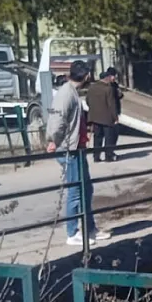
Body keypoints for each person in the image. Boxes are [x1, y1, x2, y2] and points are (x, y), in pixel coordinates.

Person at [46, 61, 111, 246]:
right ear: (86, 76)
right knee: (75, 190)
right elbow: (57, 118)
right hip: (69, 148)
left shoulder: (69, 92)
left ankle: (89, 228)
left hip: (76, 147)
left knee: (86, 188)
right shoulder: (66, 94)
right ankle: (72, 232)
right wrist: (54, 140)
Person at [87, 71, 119, 162]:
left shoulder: (92, 87)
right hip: (107, 118)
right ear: (107, 78)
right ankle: (108, 156)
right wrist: (115, 117)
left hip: (95, 117)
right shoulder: (108, 89)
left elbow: (87, 100)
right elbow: (111, 104)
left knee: (97, 137)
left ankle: (96, 156)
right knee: (109, 137)